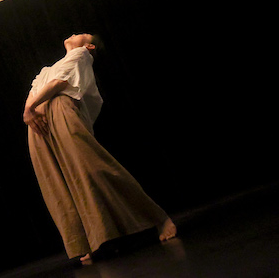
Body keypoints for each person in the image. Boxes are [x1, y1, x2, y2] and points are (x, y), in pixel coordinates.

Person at [24, 33, 176, 264]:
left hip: (58, 111)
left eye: (81, 34)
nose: (74, 34)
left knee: (94, 168)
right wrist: (28, 112)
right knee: (57, 183)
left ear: (89, 45)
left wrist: (29, 110)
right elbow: (34, 90)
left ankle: (157, 218)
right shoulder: (49, 68)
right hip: (37, 123)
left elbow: (59, 83)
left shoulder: (81, 55)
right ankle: (85, 242)